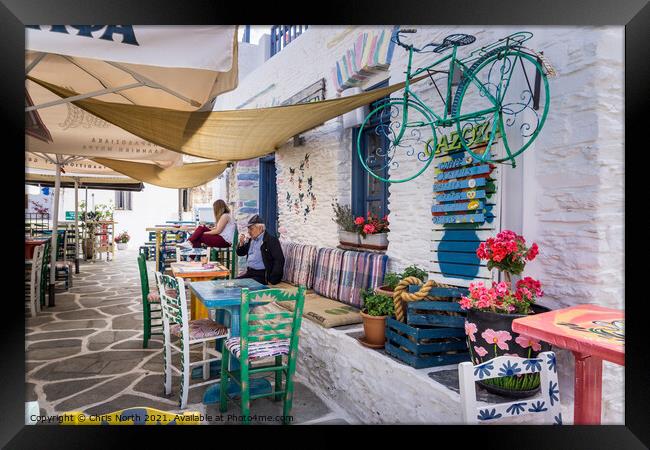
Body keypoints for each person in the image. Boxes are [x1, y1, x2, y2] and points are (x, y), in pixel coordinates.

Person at [236, 214, 284, 285]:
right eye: (248, 229)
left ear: (260, 228)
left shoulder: (270, 240)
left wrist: (273, 279)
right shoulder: (251, 240)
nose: (249, 231)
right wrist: (241, 243)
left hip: (262, 275)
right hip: (250, 273)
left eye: (251, 229)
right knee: (234, 283)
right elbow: (241, 253)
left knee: (242, 285)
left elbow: (279, 260)